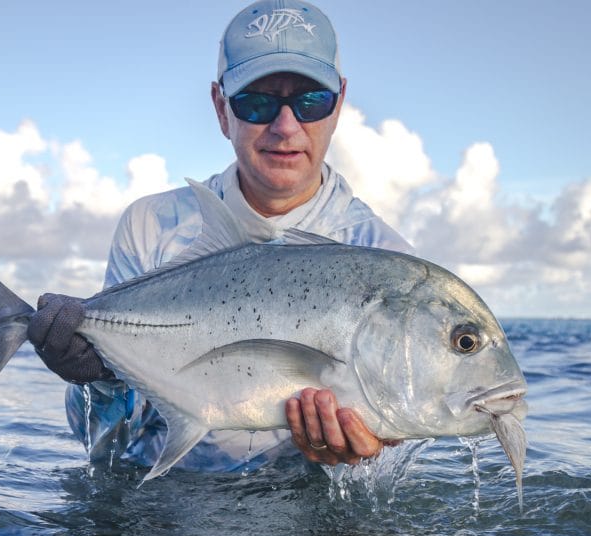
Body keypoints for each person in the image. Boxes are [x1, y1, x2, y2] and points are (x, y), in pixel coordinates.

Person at [28, 0, 413, 475]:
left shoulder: (385, 260)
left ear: (340, 104)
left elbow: (405, 432)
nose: (285, 126)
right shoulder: (151, 227)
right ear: (220, 108)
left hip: (305, 523)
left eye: (312, 100)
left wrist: (361, 456)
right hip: (162, 506)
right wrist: (96, 379)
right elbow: (104, 442)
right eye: (257, 102)